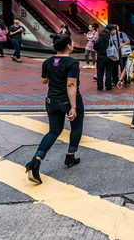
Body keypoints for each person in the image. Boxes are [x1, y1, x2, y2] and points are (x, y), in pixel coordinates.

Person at [24, 33, 83, 184]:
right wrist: (74, 107)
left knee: (54, 131)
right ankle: (70, 156)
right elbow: (71, 84)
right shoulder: (72, 63)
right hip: (68, 100)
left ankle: (36, 160)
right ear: (69, 46)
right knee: (76, 127)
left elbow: (44, 81)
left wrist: (55, 75)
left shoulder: (47, 62)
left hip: (52, 100)